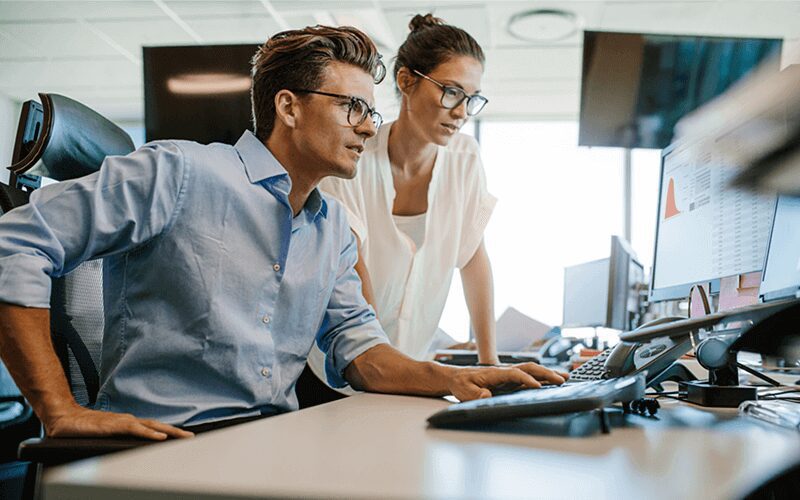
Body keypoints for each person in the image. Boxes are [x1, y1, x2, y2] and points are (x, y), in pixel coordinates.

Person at [0, 25, 566, 440]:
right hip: (163, 447)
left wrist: (467, 377)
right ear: (289, 107)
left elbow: (363, 354)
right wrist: (57, 408)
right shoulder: (177, 172)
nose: (370, 127)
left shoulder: (334, 232)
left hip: (271, 440)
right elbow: (14, 243)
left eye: (371, 112)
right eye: (352, 108)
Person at [308, 14, 500, 393]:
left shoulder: (465, 158)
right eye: (451, 92)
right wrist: (380, 366)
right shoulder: (352, 158)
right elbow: (353, 267)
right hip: (340, 370)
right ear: (406, 81)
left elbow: (473, 258)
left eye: (471, 98)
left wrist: (489, 360)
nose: (461, 111)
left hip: (411, 362)